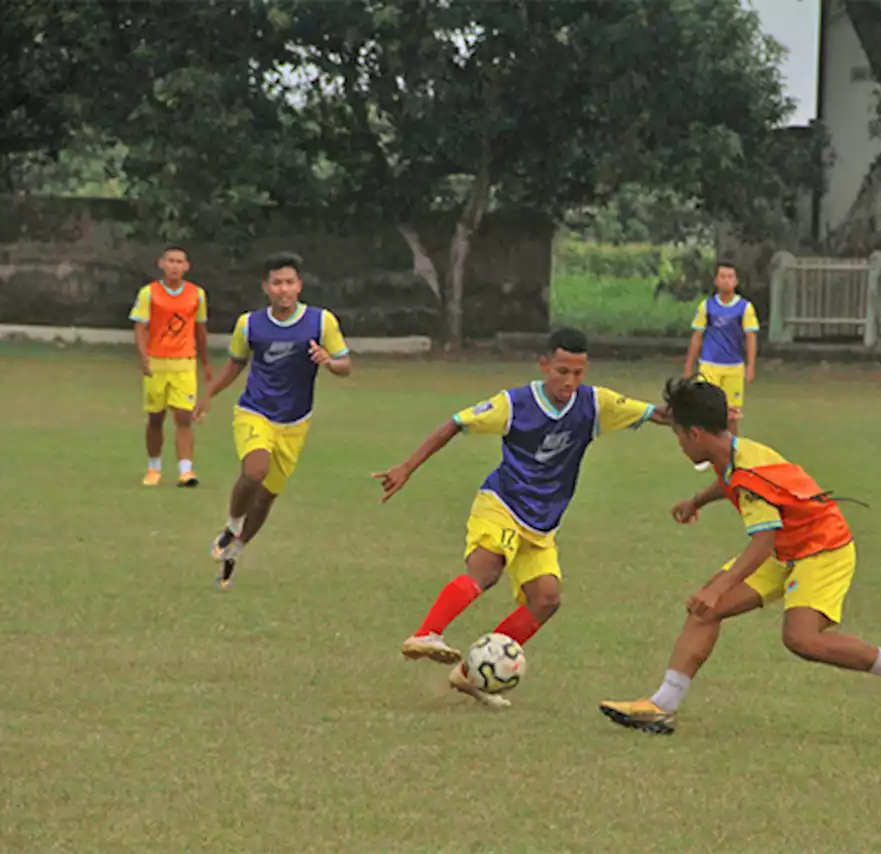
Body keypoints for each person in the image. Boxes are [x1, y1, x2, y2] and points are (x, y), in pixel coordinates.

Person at [599, 376, 881, 735]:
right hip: (787, 544)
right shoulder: (732, 451)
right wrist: (697, 501)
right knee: (704, 611)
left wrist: (718, 588)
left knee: (802, 639)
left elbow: (762, 542)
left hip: (822, 547)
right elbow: (728, 482)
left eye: (679, 435)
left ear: (695, 434)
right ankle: (662, 707)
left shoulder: (748, 473)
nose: (679, 444)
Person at [373, 327, 667, 709]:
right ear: (544, 364)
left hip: (542, 525)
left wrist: (701, 414)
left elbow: (655, 413)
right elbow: (455, 423)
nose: (570, 381)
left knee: (546, 599)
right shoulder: (514, 404)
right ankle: (427, 633)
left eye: (578, 373)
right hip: (502, 504)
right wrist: (407, 467)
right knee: (486, 572)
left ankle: (470, 673)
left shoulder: (596, 404)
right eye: (562, 371)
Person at [194, 252, 352, 589]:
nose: (284, 289)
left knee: (266, 497)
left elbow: (346, 365)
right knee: (254, 471)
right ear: (266, 287)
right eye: (277, 283)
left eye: (289, 282)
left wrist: (327, 361)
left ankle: (236, 549)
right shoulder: (249, 324)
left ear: (300, 286)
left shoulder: (321, 321)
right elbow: (236, 363)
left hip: (295, 422)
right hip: (255, 411)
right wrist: (209, 393)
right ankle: (232, 524)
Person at [130, 246, 210, 486]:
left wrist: (205, 362)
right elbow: (140, 328)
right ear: (161, 264)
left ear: (187, 266)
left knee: (184, 416)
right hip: (157, 361)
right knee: (155, 417)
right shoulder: (149, 293)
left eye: (180, 262)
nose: (175, 266)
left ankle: (186, 470)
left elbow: (200, 329)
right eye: (171, 261)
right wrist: (144, 358)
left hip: (184, 361)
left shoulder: (197, 294)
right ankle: (154, 468)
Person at [683, 261, 759, 470]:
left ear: (736, 281)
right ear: (716, 280)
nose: (726, 280)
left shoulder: (745, 307)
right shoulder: (707, 306)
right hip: (709, 365)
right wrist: (689, 364)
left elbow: (750, 337)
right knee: (703, 409)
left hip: (734, 366)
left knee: (732, 414)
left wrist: (750, 366)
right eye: (722, 276)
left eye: (730, 277)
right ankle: (705, 453)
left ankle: (732, 453)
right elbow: (697, 335)